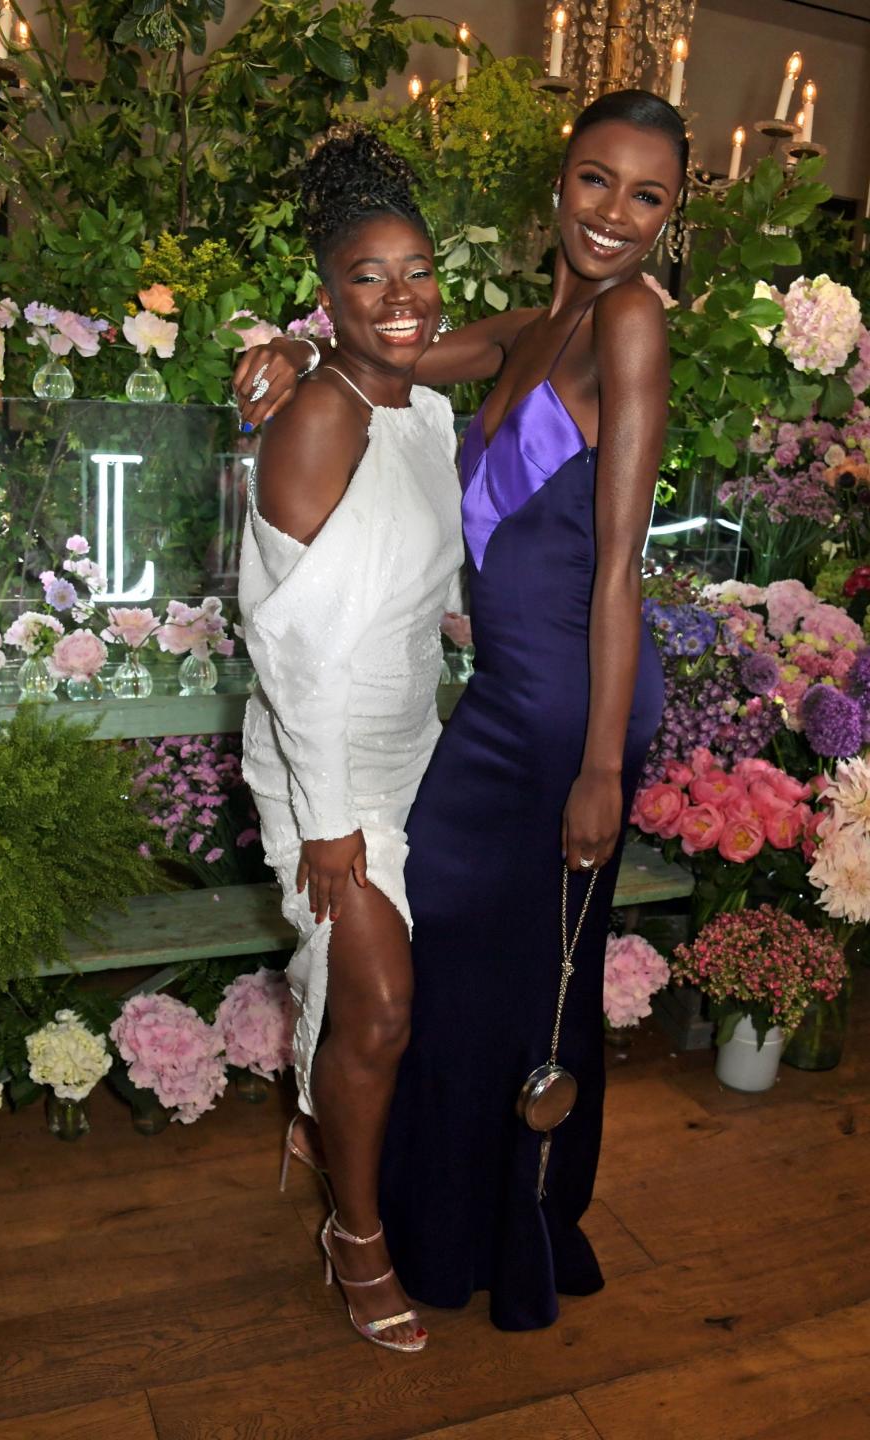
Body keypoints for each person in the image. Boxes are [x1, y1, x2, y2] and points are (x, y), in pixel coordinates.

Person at [235, 89, 685, 1331]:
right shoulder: (536, 325)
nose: (614, 214)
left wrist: (602, 766)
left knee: (530, 982)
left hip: (572, 715)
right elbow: (385, 351)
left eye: (647, 194)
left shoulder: (630, 321)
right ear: (561, 181)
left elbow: (617, 566)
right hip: (492, 706)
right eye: (598, 180)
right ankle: (443, 1219)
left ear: (673, 214)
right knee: (468, 980)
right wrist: (293, 350)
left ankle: (511, 1228)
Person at [236, 126, 463, 1353]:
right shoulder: (319, 415)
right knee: (376, 1003)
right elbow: (289, 649)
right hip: (329, 772)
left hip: (415, 750)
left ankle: (328, 1124)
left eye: (417, 270)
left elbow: (414, 569)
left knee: (391, 1011)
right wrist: (325, 816)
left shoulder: (423, 415)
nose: (400, 296)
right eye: (368, 276)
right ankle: (355, 1236)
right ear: (326, 299)